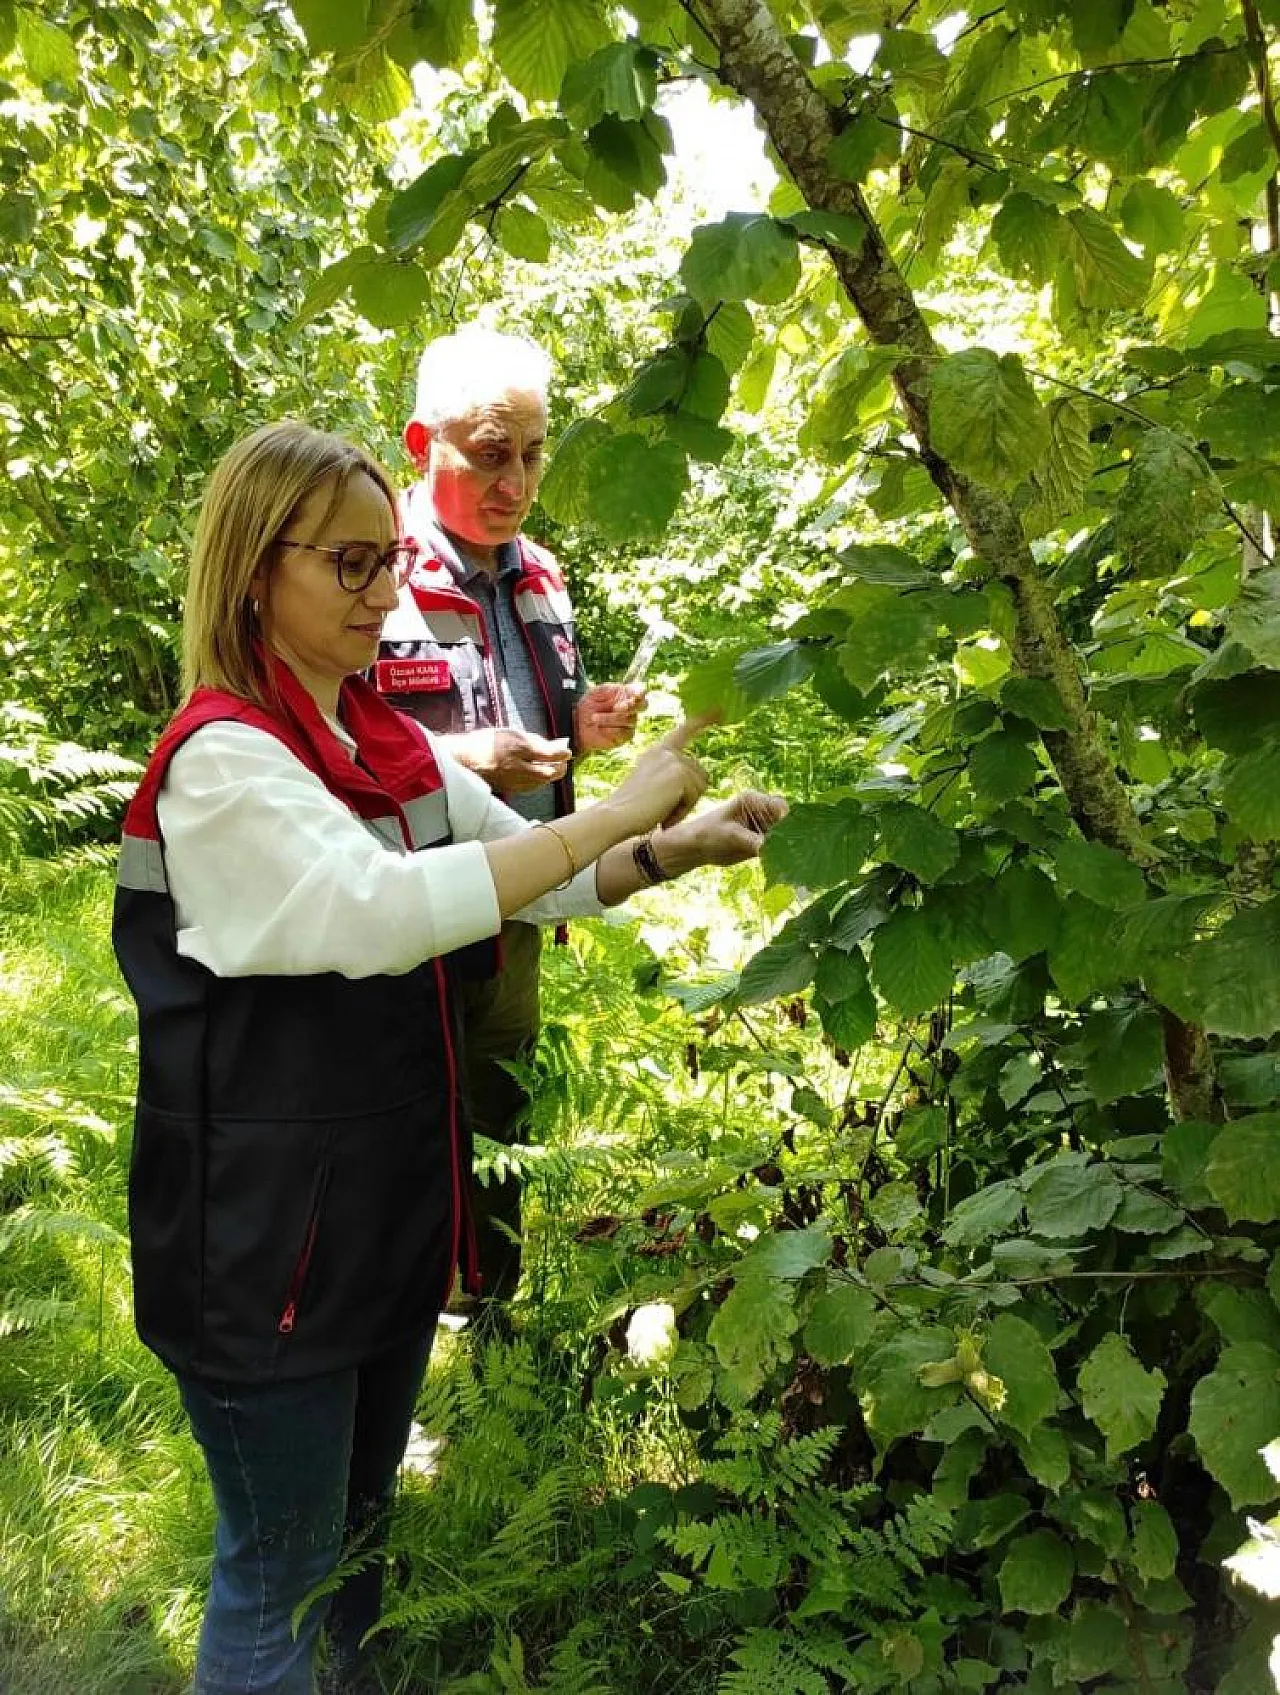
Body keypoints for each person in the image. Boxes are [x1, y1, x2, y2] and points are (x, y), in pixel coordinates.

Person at [112, 420, 784, 1695]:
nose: (386, 592)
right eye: (350, 564)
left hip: (375, 1218)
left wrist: (666, 847)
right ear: (254, 569)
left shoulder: (383, 736)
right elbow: (381, 914)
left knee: (357, 1542)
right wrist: (613, 809)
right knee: (279, 1575)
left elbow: (528, 881)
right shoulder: (223, 760)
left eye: (389, 561)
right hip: (260, 1248)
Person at [373, 326, 641, 1312]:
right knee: (404, 1116)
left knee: (500, 1115)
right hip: (405, 913)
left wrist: (583, 725)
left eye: (533, 453)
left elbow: (544, 715)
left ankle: (490, 1307)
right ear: (422, 444)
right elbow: (327, 754)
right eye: (492, 454)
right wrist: (467, 759)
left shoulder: (542, 575)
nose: (516, 482)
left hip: (520, 904)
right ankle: (405, 1318)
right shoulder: (371, 572)